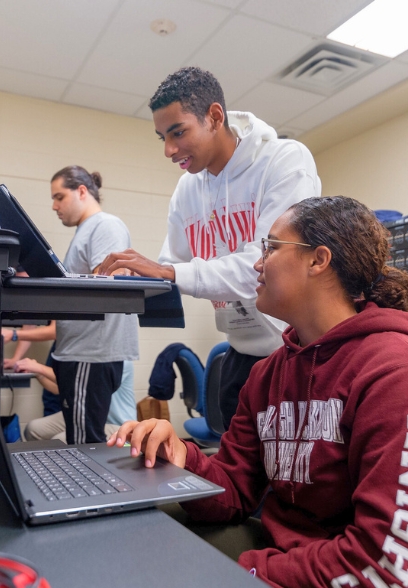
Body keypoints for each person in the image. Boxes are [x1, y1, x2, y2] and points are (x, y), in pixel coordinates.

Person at [108, 197, 408, 587]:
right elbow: (234, 492)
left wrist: (248, 572)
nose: (257, 262)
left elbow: (390, 568)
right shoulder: (269, 374)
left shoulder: (400, 375)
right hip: (297, 558)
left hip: (378, 575)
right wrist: (182, 459)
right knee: (141, 541)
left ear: (318, 260)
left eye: (270, 247)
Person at [98, 67, 321, 430]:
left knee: (292, 481)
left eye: (178, 132)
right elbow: (173, 266)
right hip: (241, 353)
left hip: (298, 356)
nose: (169, 150)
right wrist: (130, 280)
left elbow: (269, 266)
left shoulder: (284, 160)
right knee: (238, 477)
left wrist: (168, 272)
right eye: (162, 138)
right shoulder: (188, 190)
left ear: (215, 117)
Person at [48, 166, 138, 444]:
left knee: (84, 443)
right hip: (82, 352)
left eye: (59, 197)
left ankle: (89, 489)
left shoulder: (104, 225)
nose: (54, 206)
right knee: (83, 439)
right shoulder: (86, 231)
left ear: (82, 192)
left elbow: (111, 279)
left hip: (90, 353)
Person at [17, 357, 136, 442]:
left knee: (59, 441)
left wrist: (39, 367)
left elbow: (88, 385)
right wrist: (39, 374)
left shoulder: (119, 360)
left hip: (118, 425)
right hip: (86, 414)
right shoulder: (83, 354)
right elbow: (61, 388)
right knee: (33, 429)